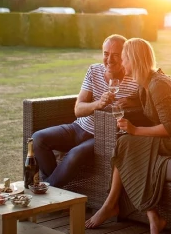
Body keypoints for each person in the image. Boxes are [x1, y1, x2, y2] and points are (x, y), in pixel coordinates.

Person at [85, 38, 171, 234]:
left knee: (125, 143)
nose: (121, 63)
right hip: (170, 137)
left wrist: (135, 130)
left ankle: (112, 205)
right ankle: (151, 216)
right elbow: (146, 101)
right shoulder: (146, 83)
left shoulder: (157, 85)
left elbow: (170, 128)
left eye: (124, 58)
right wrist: (131, 102)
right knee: (125, 143)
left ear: (134, 59)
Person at [32, 34, 139, 188]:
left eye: (116, 55)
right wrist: (98, 104)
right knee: (37, 139)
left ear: (125, 56)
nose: (109, 60)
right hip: (78, 128)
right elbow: (78, 109)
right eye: (106, 54)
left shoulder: (134, 80)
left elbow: (145, 107)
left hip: (103, 136)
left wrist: (133, 102)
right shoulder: (94, 70)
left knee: (75, 153)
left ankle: (47, 189)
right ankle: (56, 190)